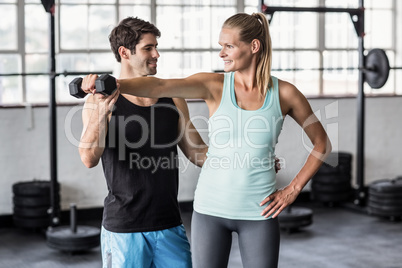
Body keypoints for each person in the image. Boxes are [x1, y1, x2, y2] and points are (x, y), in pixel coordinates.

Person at [99, 12, 331, 268]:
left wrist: (293, 189)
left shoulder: (286, 93)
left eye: (228, 46)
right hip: (209, 210)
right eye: (221, 46)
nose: (221, 53)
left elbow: (321, 143)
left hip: (259, 211)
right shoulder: (213, 85)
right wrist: (107, 84)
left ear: (254, 47)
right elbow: (159, 87)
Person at [78, 17, 207, 268]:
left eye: (156, 46)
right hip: (124, 228)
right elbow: (88, 158)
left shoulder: (172, 98)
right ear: (125, 52)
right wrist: (101, 116)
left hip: (170, 224)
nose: (156, 54)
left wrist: (249, 160)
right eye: (148, 48)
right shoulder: (98, 101)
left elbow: (198, 153)